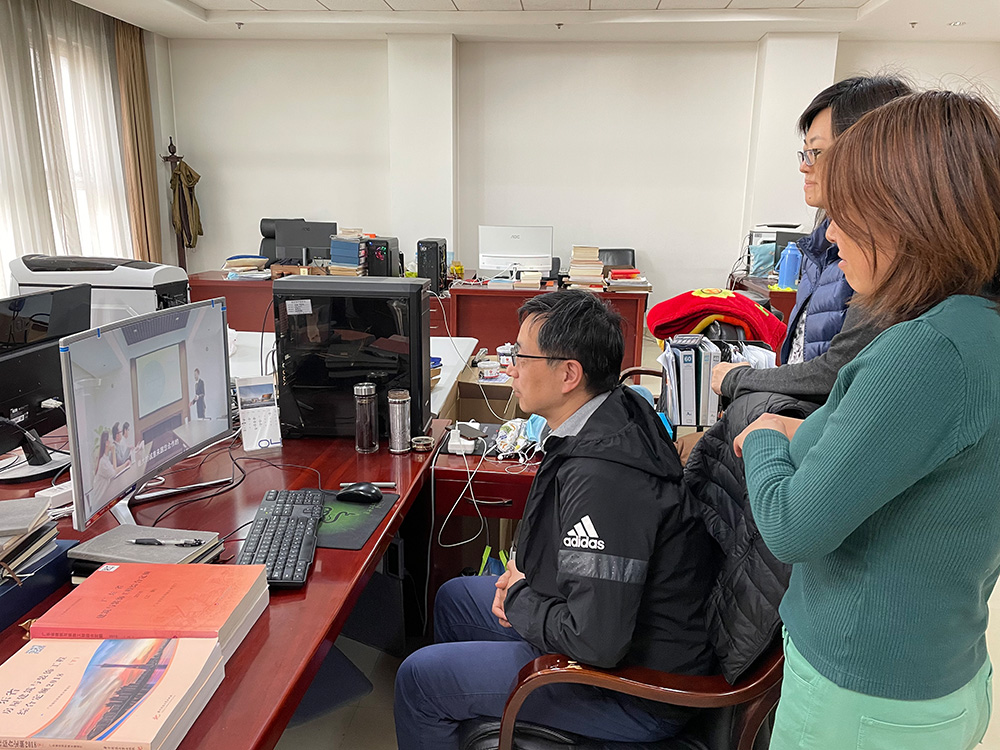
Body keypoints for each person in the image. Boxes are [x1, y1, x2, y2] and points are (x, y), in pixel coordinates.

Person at [734, 90, 1000, 749]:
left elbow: (793, 525)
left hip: (862, 696)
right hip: (944, 671)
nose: (831, 234)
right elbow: (900, 458)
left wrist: (764, 435)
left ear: (911, 219)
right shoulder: (977, 328)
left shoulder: (924, 351)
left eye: (847, 214)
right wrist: (805, 432)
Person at [394, 290, 716, 749]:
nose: (510, 367)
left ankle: (463, 706)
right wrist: (525, 573)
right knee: (453, 599)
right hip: (608, 624)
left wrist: (521, 598)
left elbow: (596, 641)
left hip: (635, 687)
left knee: (419, 681)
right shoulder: (609, 410)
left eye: (520, 355)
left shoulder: (604, 479)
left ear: (569, 374)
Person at [711, 75, 912, 406]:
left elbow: (836, 372)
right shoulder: (823, 243)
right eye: (805, 153)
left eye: (817, 152)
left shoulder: (880, 260)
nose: (805, 167)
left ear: (871, 153)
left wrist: (740, 379)